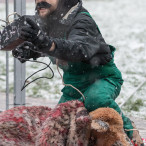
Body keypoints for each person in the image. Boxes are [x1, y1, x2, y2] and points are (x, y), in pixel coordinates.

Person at [12, 0, 143, 143]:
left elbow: (77, 48)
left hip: (103, 77)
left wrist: (47, 44)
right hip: (73, 86)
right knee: (57, 121)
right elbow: (48, 44)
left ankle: (131, 132)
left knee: (95, 99)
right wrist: (31, 50)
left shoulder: (81, 20)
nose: (40, 1)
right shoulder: (47, 19)